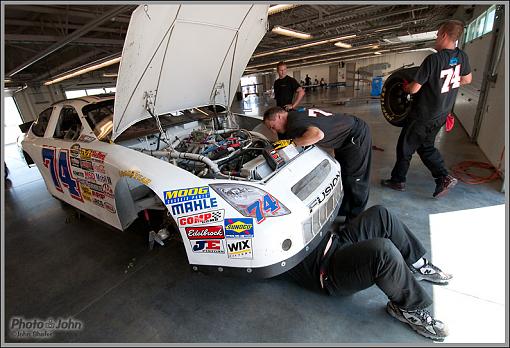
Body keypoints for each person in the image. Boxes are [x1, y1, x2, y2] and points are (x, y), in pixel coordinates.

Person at [284, 205, 452, 341]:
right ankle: (408, 308)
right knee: (383, 253)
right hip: (327, 269)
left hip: (336, 242)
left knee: (380, 214)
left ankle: (417, 265)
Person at [381, 20, 472, 198]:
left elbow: (414, 88)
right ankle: (443, 177)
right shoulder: (462, 57)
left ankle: (398, 181)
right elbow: (467, 79)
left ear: (445, 35)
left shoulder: (434, 59)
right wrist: (448, 85)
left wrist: (406, 88)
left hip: (423, 113)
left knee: (405, 148)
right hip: (442, 114)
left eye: (438, 34)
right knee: (426, 147)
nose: (436, 38)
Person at [263, 106, 371, 220]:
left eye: (273, 127)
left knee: (355, 180)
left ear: (280, 116)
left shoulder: (295, 122)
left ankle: (355, 221)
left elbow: (317, 135)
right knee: (344, 173)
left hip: (355, 135)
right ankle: (345, 208)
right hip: (343, 138)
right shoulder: (293, 116)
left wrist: (293, 142)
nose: (273, 131)